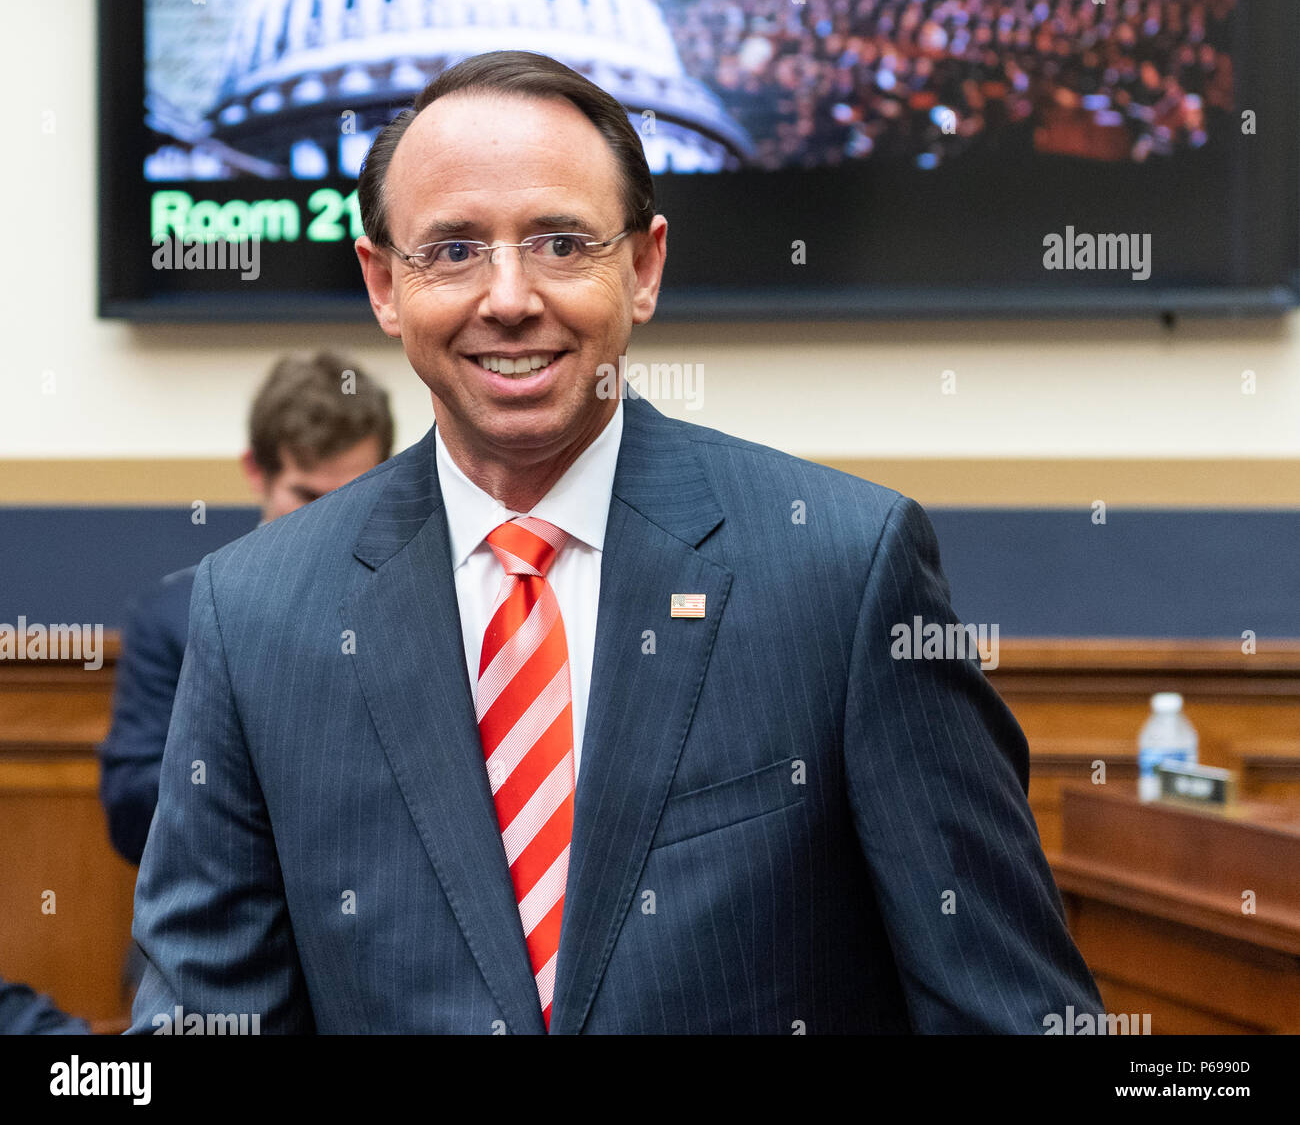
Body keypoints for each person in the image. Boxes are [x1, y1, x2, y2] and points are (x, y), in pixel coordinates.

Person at [127, 50, 1103, 1034]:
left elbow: (1009, 1012)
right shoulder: (254, 612)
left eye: (560, 242)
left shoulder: (843, 570)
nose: (507, 296)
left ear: (642, 268)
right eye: (453, 249)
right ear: (383, 284)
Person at [99, 351, 394, 866]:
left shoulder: (414, 606)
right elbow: (130, 816)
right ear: (256, 471)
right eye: (307, 495)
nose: (329, 522)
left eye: (353, 495)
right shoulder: (173, 616)